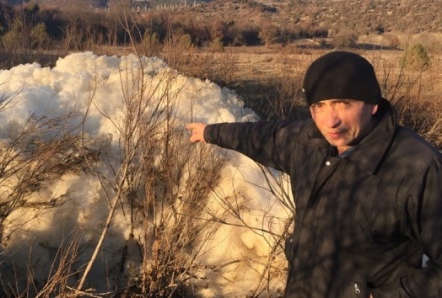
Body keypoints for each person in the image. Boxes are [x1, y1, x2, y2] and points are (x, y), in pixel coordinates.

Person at [186, 51, 442, 297]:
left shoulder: (416, 167)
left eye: (344, 104)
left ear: (372, 105)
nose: (331, 121)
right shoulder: (307, 143)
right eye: (320, 105)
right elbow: (258, 136)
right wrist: (210, 132)